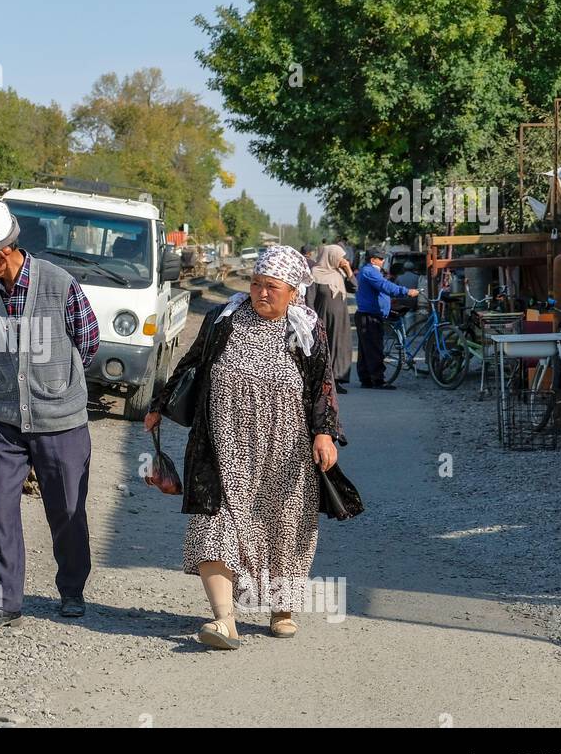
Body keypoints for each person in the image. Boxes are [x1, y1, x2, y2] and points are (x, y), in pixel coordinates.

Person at [145, 245, 344, 649]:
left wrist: (324, 432)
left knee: (285, 527)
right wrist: (158, 405)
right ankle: (224, 620)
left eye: (270, 287)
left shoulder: (305, 328)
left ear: (292, 290)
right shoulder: (226, 318)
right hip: (223, 443)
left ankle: (282, 607)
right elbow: (193, 362)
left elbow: (323, 384)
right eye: (255, 284)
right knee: (213, 523)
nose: (260, 292)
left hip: (285, 449)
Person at [0, 199, 99, 632]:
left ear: (2, 254)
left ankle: (72, 590)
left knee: (67, 511)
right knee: (0, 510)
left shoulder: (59, 284)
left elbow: (88, 344)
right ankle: (4, 603)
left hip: (62, 421)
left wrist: (55, 383)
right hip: (3, 420)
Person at [354, 249, 417, 390]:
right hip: (370, 315)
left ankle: (366, 378)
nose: (383, 261)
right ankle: (378, 380)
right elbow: (385, 286)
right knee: (374, 348)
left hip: (368, 313)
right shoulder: (370, 272)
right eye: (380, 259)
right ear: (373, 260)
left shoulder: (367, 271)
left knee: (366, 349)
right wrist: (406, 291)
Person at [307, 244, 354, 393]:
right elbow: (309, 300)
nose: (343, 260)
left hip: (341, 319)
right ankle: (323, 382)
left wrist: (348, 270)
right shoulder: (315, 273)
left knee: (339, 347)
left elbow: (355, 287)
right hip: (322, 318)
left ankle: (337, 379)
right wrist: (312, 321)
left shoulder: (339, 273)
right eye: (340, 257)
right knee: (325, 349)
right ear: (331, 256)